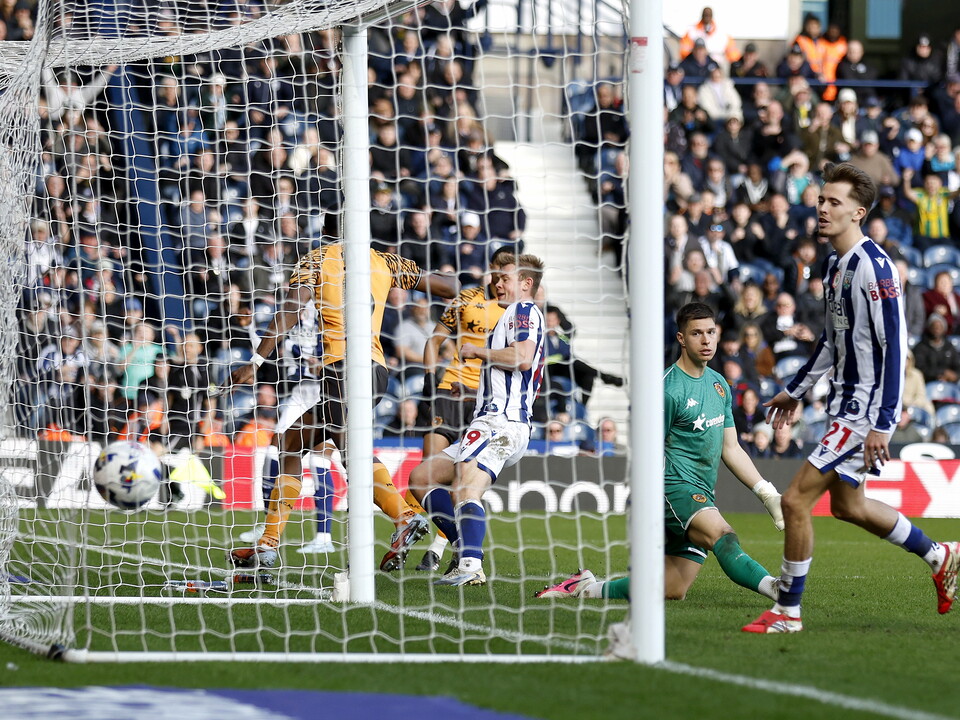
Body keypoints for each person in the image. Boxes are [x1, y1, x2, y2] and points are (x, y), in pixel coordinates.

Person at [743, 162, 959, 635]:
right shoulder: (835, 263)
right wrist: (795, 390)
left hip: (863, 410)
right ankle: (940, 555)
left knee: (796, 501)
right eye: (820, 199)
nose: (821, 208)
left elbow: (893, 347)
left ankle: (788, 612)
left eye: (833, 202)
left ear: (858, 212)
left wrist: (884, 422)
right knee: (848, 506)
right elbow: (831, 338)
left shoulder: (876, 268)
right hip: (843, 403)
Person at [226, 225, 457, 570]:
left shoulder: (317, 259)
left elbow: (291, 309)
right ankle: (268, 543)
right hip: (377, 372)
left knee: (348, 449)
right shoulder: (384, 261)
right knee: (291, 440)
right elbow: (450, 287)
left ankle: (403, 515)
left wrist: (257, 360)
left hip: (343, 368)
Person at [535, 302, 784, 603]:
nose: (706, 341)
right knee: (723, 535)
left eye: (710, 332)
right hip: (673, 488)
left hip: (702, 489)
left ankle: (585, 587)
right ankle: (777, 588)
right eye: (696, 334)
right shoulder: (667, 390)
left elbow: (730, 448)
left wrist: (766, 492)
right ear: (681, 339)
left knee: (671, 588)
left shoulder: (719, 385)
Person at [408, 254, 547, 587]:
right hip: (487, 419)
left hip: (502, 420)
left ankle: (471, 564)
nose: (498, 283)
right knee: (422, 477)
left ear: (526, 283)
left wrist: (477, 351)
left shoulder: (523, 310)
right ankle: (463, 548)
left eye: (506, 278)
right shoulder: (509, 315)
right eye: (496, 277)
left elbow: (522, 358)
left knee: (466, 487)